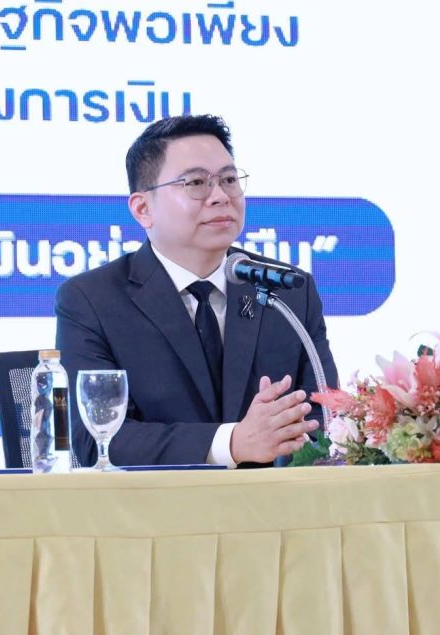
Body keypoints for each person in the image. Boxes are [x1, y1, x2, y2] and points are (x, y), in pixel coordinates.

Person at [55, 114, 338, 467]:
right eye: (196, 183)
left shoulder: (288, 290)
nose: (220, 196)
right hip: (159, 501)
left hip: (272, 498)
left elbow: (326, 421)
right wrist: (231, 443)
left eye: (229, 180)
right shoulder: (91, 300)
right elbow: (93, 440)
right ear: (143, 209)